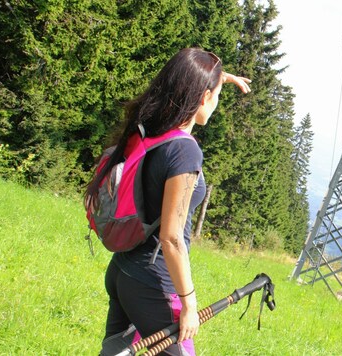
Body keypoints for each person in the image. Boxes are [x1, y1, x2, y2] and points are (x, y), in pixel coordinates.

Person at [85, 47, 251, 355]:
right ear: (203, 96)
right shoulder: (185, 152)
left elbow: (184, 85)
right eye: (215, 94)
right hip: (153, 282)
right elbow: (172, 237)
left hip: (123, 271)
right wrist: (189, 303)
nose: (216, 102)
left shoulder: (149, 129)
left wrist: (218, 78)